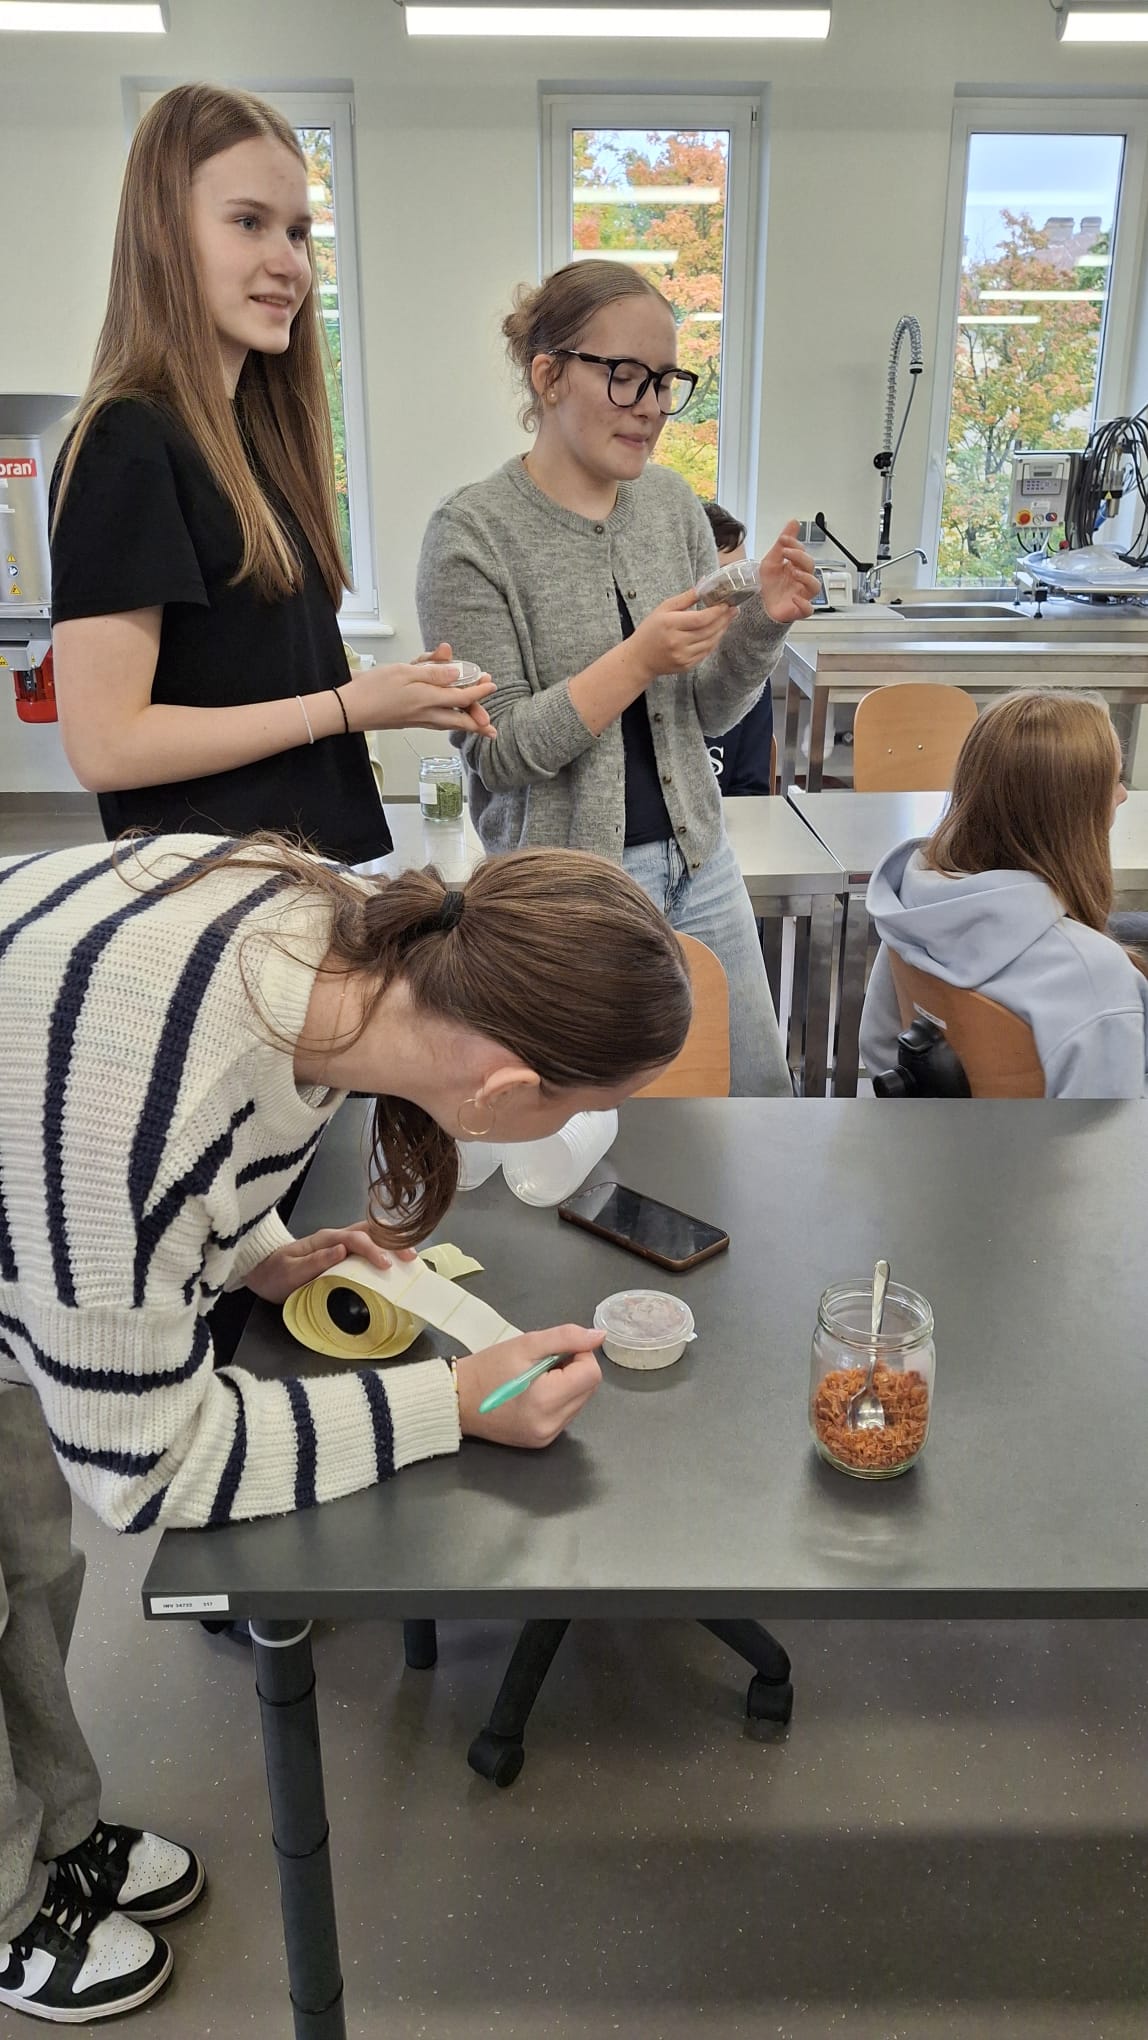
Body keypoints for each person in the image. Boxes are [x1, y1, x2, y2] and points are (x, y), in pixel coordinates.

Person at [0, 830, 690, 2022]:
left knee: (29, 1564)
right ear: (501, 1096)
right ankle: (8, 1911)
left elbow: (168, 1180)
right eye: (585, 1112)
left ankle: (54, 1834)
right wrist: (449, 1405)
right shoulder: (150, 1104)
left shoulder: (356, 948)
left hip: (43, 1176)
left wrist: (250, 1250)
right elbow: (144, 1467)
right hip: (65, 1138)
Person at [49, 83, 494, 869]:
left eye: (297, 232)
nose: (288, 263)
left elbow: (239, 669)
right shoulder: (127, 441)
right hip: (214, 895)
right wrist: (346, 707)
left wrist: (386, 691)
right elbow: (107, 745)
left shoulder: (256, 440)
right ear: (162, 232)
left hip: (302, 876)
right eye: (248, 223)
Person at [416, 258, 818, 1097]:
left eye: (666, 382)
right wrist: (638, 659)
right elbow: (500, 752)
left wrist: (764, 623)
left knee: (758, 1096)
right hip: (567, 896)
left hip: (701, 861)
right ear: (549, 375)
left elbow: (708, 711)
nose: (652, 407)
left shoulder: (671, 507)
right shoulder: (471, 535)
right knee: (588, 1125)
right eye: (626, 376)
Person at [859, 690, 1148, 1098]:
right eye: (1114, 781)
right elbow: (1109, 1134)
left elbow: (879, 1048)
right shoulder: (1095, 975)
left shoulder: (911, 908)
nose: (1123, 795)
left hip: (944, 1135)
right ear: (1074, 810)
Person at [702, 502, 775, 798]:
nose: (737, 599)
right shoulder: (647, 667)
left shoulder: (747, 673)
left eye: (742, 578)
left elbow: (751, 791)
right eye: (722, 582)